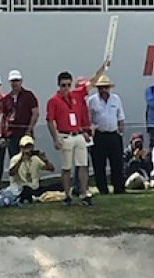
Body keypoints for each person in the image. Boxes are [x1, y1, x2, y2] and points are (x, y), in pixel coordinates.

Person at [46, 60, 108, 206]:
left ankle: (84, 193)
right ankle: (67, 194)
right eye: (63, 85)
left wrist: (103, 67)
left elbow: (92, 82)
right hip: (65, 135)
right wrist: (55, 139)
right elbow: (50, 121)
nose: (66, 88)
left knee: (83, 165)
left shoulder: (76, 95)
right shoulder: (53, 101)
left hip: (78, 134)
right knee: (66, 167)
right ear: (59, 85)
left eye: (68, 85)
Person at [87, 75, 126, 194]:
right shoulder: (92, 100)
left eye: (105, 87)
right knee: (99, 164)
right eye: (101, 87)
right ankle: (102, 189)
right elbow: (89, 119)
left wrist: (120, 132)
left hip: (113, 134)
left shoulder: (116, 99)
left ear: (109, 88)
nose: (103, 89)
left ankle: (118, 188)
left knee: (117, 163)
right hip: (99, 135)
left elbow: (120, 117)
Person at [0, 70, 39, 159]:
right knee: (14, 159)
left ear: (21, 81)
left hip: (25, 134)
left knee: (27, 158)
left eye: (17, 80)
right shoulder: (6, 98)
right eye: (13, 81)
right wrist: (2, 135)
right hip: (11, 135)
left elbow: (35, 113)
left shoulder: (29, 96)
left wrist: (28, 131)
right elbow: (2, 117)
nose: (15, 83)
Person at [9, 135, 55, 203]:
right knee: (26, 190)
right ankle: (31, 197)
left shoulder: (35, 158)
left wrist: (45, 160)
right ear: (21, 148)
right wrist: (20, 161)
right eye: (26, 147)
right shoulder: (15, 159)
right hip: (21, 188)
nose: (28, 149)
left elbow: (51, 169)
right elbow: (11, 173)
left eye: (29, 147)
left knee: (56, 186)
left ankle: (34, 196)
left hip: (35, 188)